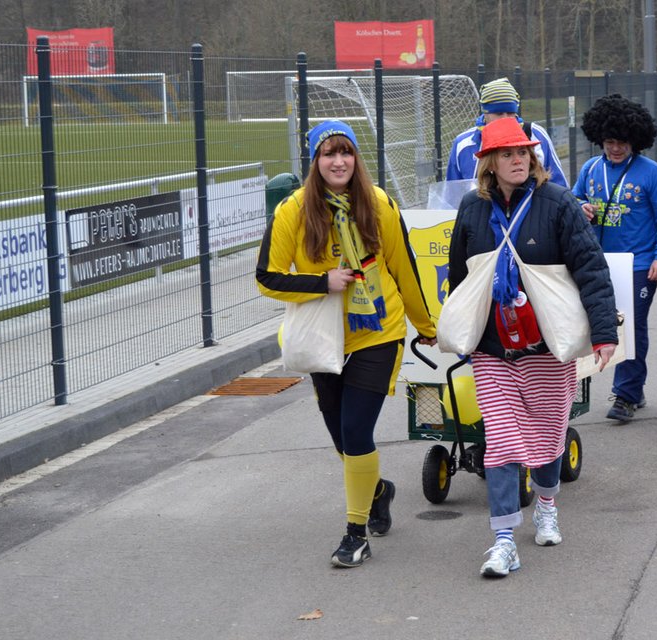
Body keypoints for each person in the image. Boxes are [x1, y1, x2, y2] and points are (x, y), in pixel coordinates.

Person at [255, 120, 437, 567]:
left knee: (357, 432)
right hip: (324, 337)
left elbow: (403, 268)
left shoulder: (378, 204)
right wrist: (322, 282)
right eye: (328, 154)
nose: (338, 162)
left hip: (379, 330)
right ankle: (377, 490)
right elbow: (268, 277)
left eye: (346, 153)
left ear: (357, 159)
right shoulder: (293, 211)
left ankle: (355, 534)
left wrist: (426, 325)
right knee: (341, 438)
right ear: (315, 162)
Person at [447, 117, 618, 578]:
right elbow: (459, 278)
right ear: (489, 162)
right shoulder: (471, 208)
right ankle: (503, 539)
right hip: (493, 349)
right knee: (500, 442)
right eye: (507, 154)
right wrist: (460, 326)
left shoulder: (558, 202)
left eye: (523, 152)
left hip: (546, 347)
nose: (518, 160)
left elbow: (590, 268)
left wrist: (604, 333)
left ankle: (546, 504)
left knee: (546, 439)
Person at [571, 94, 657, 423]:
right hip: (599, 263)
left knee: (630, 326)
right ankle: (635, 387)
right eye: (610, 141)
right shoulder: (590, 169)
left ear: (635, 141)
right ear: (600, 139)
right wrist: (580, 206)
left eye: (622, 142)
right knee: (600, 326)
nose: (615, 148)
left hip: (639, 264)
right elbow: (573, 199)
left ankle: (626, 394)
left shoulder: (652, 173)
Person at [446, 77, 568, 188]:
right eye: (498, 113)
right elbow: (451, 196)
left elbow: (559, 185)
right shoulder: (463, 144)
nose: (505, 119)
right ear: (485, 113)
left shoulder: (535, 134)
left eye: (510, 113)